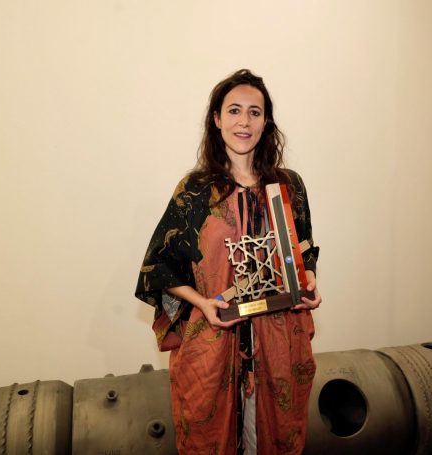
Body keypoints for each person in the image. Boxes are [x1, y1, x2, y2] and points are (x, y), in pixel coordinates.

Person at [136, 69, 321, 455]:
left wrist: (309, 283)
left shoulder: (289, 185)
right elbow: (159, 264)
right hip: (213, 346)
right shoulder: (195, 192)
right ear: (217, 119)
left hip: (280, 345)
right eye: (234, 111)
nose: (244, 122)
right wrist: (203, 303)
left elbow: (303, 250)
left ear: (266, 122)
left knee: (274, 438)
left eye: (255, 112)